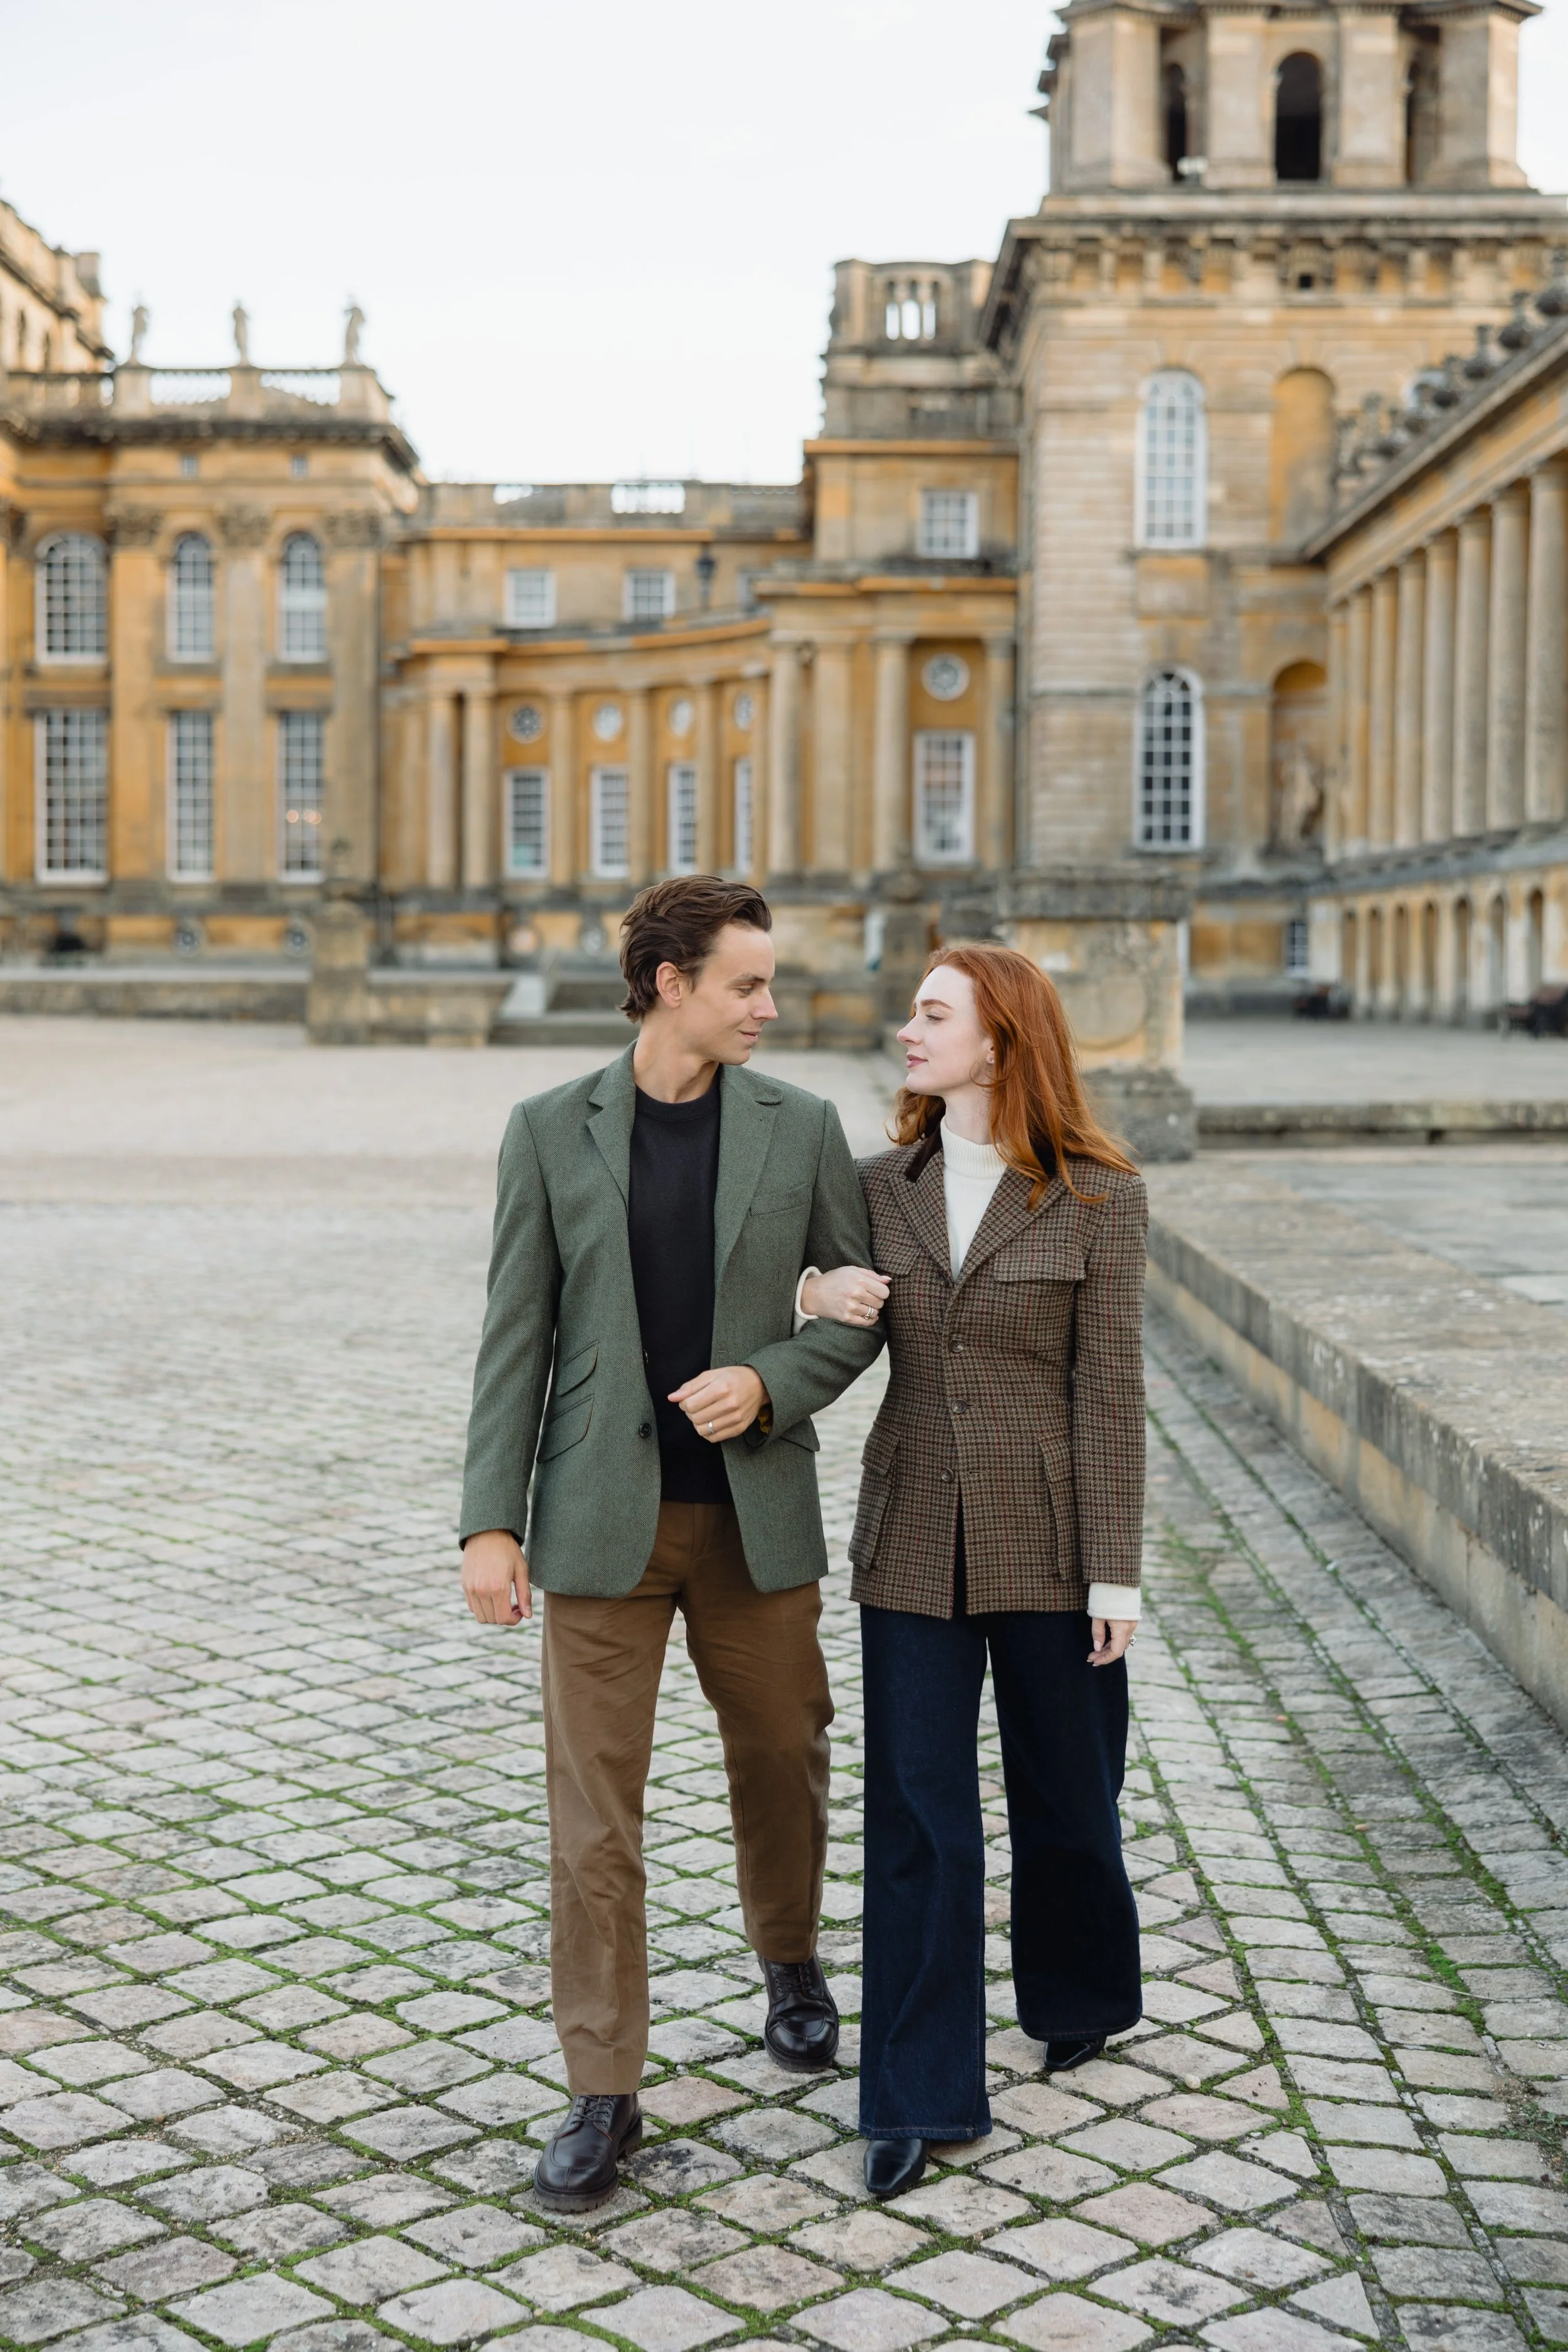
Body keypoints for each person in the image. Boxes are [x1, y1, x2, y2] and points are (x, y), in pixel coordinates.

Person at [459, 876, 881, 2213]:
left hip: (753, 1515)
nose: (769, 1006)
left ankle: (791, 1960)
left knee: (781, 1756)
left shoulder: (804, 1127)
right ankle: (602, 2087)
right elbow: (514, 1334)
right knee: (593, 1817)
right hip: (597, 1522)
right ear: (667, 985)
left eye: (767, 983)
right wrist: (489, 1519)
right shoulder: (546, 1129)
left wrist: (768, 1379)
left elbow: (859, 1313)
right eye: (745, 984)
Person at [799, 942, 1146, 2198]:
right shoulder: (873, 1182)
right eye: (908, 1011)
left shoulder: (1101, 1195)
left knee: (1067, 1800)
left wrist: (1116, 1577)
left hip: (1053, 1546)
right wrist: (810, 1281)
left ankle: (1081, 1991)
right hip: (909, 1539)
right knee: (915, 1821)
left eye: (932, 1013)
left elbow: (1109, 1398)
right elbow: (797, 1284)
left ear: (1000, 1038)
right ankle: (915, 2092)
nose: (907, 1029)